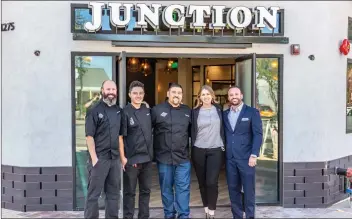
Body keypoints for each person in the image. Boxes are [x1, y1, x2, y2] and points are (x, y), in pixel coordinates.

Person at [151, 83, 192, 219]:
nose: (176, 95)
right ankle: (169, 215)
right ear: (168, 94)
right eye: (173, 92)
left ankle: (183, 215)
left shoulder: (188, 111)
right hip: (164, 159)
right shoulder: (157, 110)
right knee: (166, 189)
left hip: (183, 158)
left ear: (182, 95)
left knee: (183, 189)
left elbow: (194, 133)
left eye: (179, 93)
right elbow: (146, 131)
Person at [84, 80, 123, 219]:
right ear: (102, 90)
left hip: (114, 159)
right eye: (108, 89)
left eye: (113, 89)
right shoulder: (94, 110)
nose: (111, 92)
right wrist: (94, 159)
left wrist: (121, 158)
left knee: (113, 195)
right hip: (99, 159)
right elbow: (89, 137)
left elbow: (120, 136)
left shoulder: (119, 111)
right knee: (93, 195)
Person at [223, 86, 263, 219]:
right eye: (231, 95)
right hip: (230, 159)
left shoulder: (252, 112)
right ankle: (237, 216)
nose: (234, 97)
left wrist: (254, 154)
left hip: (247, 159)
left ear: (241, 95)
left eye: (236, 94)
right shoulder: (225, 114)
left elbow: (258, 134)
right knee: (233, 191)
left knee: (249, 190)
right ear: (228, 98)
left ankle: (250, 216)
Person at [190, 85, 225, 219]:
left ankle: (212, 211)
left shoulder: (219, 110)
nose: (205, 97)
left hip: (216, 149)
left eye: (208, 94)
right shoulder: (195, 112)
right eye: (203, 95)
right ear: (199, 97)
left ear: (212, 96)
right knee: (202, 182)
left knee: (211, 182)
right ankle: (206, 208)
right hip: (198, 149)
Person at [120, 81, 153, 219]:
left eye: (140, 93)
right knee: (130, 193)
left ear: (144, 94)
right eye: (135, 93)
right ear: (129, 95)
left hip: (147, 159)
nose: (138, 96)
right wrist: (123, 158)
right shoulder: (124, 112)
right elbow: (120, 137)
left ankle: (143, 216)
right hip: (132, 160)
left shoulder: (147, 111)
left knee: (146, 191)